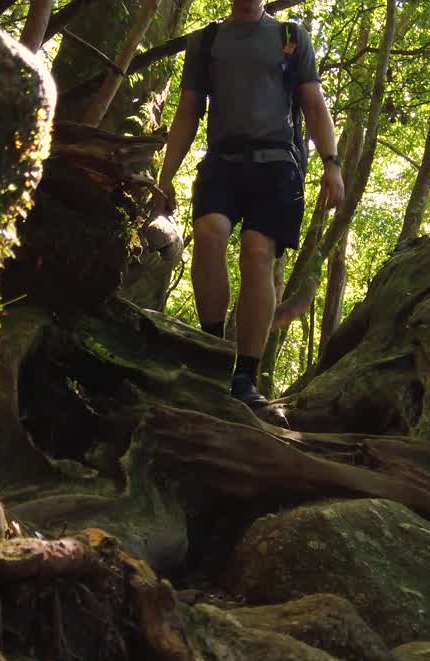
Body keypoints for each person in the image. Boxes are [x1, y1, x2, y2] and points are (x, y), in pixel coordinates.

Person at [157, 0, 345, 406]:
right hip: (222, 161)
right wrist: (166, 174)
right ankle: (211, 350)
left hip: (278, 164)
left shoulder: (290, 38)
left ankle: (245, 376)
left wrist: (332, 162)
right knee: (210, 232)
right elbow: (189, 111)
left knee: (257, 254)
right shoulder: (206, 41)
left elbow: (313, 103)